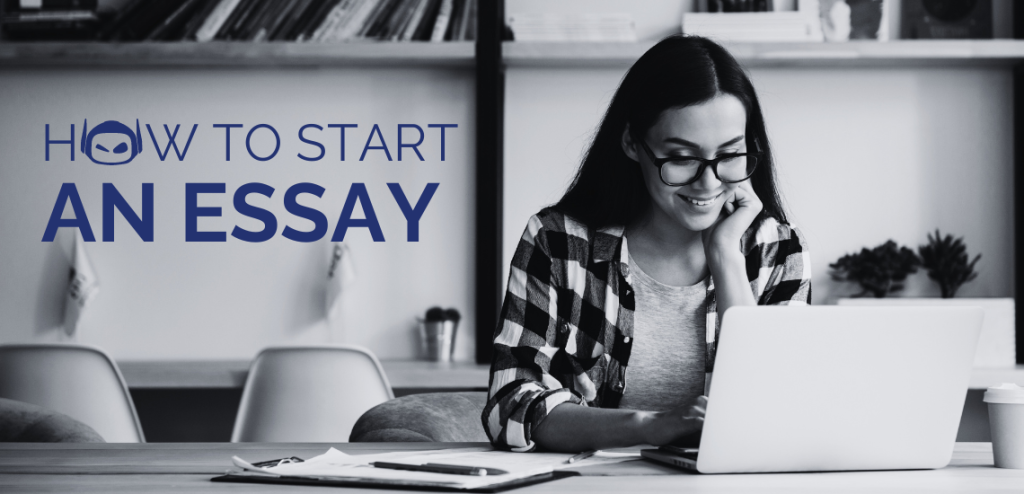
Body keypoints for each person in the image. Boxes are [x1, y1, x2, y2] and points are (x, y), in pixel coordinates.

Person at [481, 35, 812, 453]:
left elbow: (777, 413)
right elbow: (510, 405)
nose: (708, 182)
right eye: (681, 157)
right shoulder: (559, 241)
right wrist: (648, 426)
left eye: (729, 155)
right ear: (632, 144)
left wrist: (726, 258)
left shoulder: (778, 249)